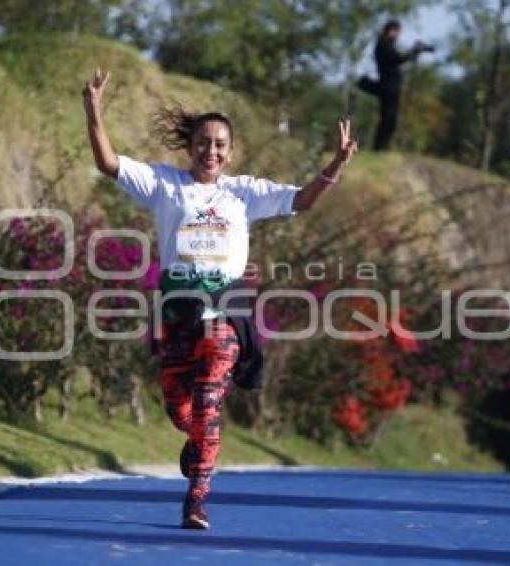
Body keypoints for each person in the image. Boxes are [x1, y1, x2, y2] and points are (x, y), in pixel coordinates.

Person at [82, 68, 358, 528]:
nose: (211, 151)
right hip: (178, 310)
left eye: (220, 145)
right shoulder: (164, 183)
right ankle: (195, 439)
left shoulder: (244, 193)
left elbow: (302, 200)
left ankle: (196, 498)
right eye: (204, 142)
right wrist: (93, 108)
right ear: (191, 146)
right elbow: (108, 162)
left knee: (210, 397)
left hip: (226, 311)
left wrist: (335, 166)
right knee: (179, 408)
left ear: (230, 153)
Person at [357, 19, 432, 151]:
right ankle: (379, 148)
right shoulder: (383, 44)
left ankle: (381, 148)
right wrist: (414, 51)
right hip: (388, 86)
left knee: (390, 120)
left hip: (391, 86)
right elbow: (397, 58)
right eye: (397, 32)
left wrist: (414, 52)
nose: (398, 36)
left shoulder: (386, 44)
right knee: (388, 119)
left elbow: (398, 58)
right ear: (391, 31)